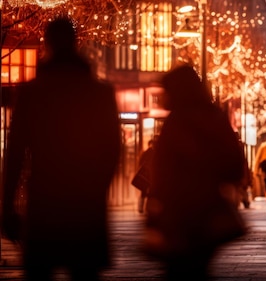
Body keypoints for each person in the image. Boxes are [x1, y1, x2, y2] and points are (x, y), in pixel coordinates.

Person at [1, 17, 121, 281]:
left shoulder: (33, 92)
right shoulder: (99, 93)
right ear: (75, 43)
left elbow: (16, 152)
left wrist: (8, 204)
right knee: (85, 272)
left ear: (48, 44)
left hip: (45, 198)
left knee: (41, 270)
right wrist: (98, 186)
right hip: (85, 201)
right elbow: (112, 147)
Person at [144, 65, 246, 280]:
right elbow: (235, 164)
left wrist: (154, 200)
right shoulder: (215, 116)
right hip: (208, 208)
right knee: (199, 267)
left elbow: (162, 168)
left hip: (177, 211)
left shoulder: (176, 121)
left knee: (178, 268)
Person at [137, 139, 155, 214]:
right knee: (150, 192)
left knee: (143, 191)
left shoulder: (145, 153)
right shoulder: (154, 153)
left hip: (145, 174)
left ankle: (141, 208)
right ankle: (147, 208)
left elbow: (140, 163)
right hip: (151, 175)